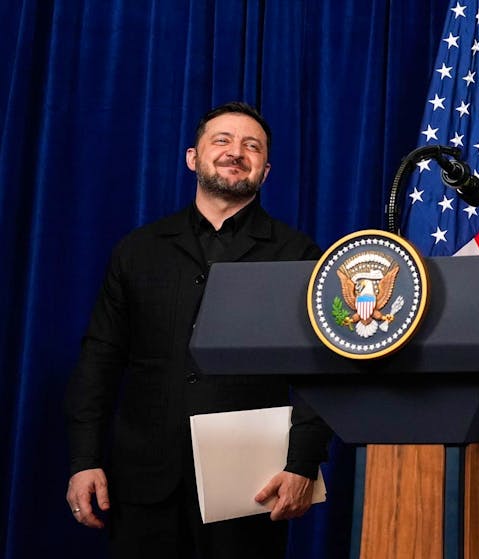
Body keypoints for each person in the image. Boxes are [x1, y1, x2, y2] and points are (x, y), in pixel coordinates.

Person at [64, 101, 332, 558]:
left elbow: (318, 368)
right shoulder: (138, 250)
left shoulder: (299, 254)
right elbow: (99, 359)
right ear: (193, 157)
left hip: (251, 486)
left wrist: (303, 462)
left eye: (252, 146)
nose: (236, 152)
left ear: (266, 171)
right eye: (222, 140)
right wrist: (84, 459)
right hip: (143, 484)